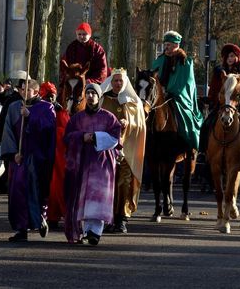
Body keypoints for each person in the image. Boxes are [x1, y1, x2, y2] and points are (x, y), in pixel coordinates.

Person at [64, 83, 122, 246]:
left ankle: (95, 232)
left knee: (98, 197)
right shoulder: (77, 118)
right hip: (82, 163)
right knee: (84, 197)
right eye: (88, 93)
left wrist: (96, 137)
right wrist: (82, 137)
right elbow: (67, 137)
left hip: (102, 165)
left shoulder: (109, 117)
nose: (90, 96)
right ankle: (86, 229)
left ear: (99, 96)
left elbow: (116, 138)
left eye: (93, 93)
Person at [1, 79, 56, 242]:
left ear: (36, 92)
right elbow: (8, 131)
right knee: (17, 191)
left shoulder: (46, 108)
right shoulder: (13, 108)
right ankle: (21, 228)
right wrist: (12, 154)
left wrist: (30, 116)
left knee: (37, 191)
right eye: (22, 89)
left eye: (28, 90)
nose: (24, 93)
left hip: (38, 157)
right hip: (20, 157)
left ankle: (40, 218)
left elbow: (49, 129)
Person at [99, 69, 147, 234]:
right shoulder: (103, 100)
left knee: (124, 183)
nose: (118, 83)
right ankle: (108, 217)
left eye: (120, 81)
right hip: (106, 150)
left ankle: (122, 218)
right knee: (107, 184)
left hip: (126, 150)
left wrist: (129, 123)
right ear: (111, 82)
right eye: (115, 81)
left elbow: (140, 125)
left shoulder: (133, 102)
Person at [200, 43, 240, 168]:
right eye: (228, 56)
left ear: (237, 57)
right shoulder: (219, 73)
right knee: (206, 124)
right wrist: (210, 99)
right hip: (222, 105)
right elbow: (214, 89)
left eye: (232, 56)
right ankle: (203, 152)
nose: (230, 58)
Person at [151, 30, 203, 154]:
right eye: (165, 44)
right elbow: (153, 76)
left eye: (168, 44)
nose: (166, 47)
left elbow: (185, 82)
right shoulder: (160, 59)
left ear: (176, 45)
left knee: (183, 115)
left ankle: (188, 144)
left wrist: (169, 91)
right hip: (158, 95)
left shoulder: (185, 61)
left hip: (177, 96)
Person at [42, 82, 71, 229]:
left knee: (58, 185)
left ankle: (57, 214)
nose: (51, 98)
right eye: (48, 95)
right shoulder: (38, 109)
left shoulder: (61, 112)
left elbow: (66, 132)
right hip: (45, 153)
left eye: (52, 95)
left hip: (58, 155)